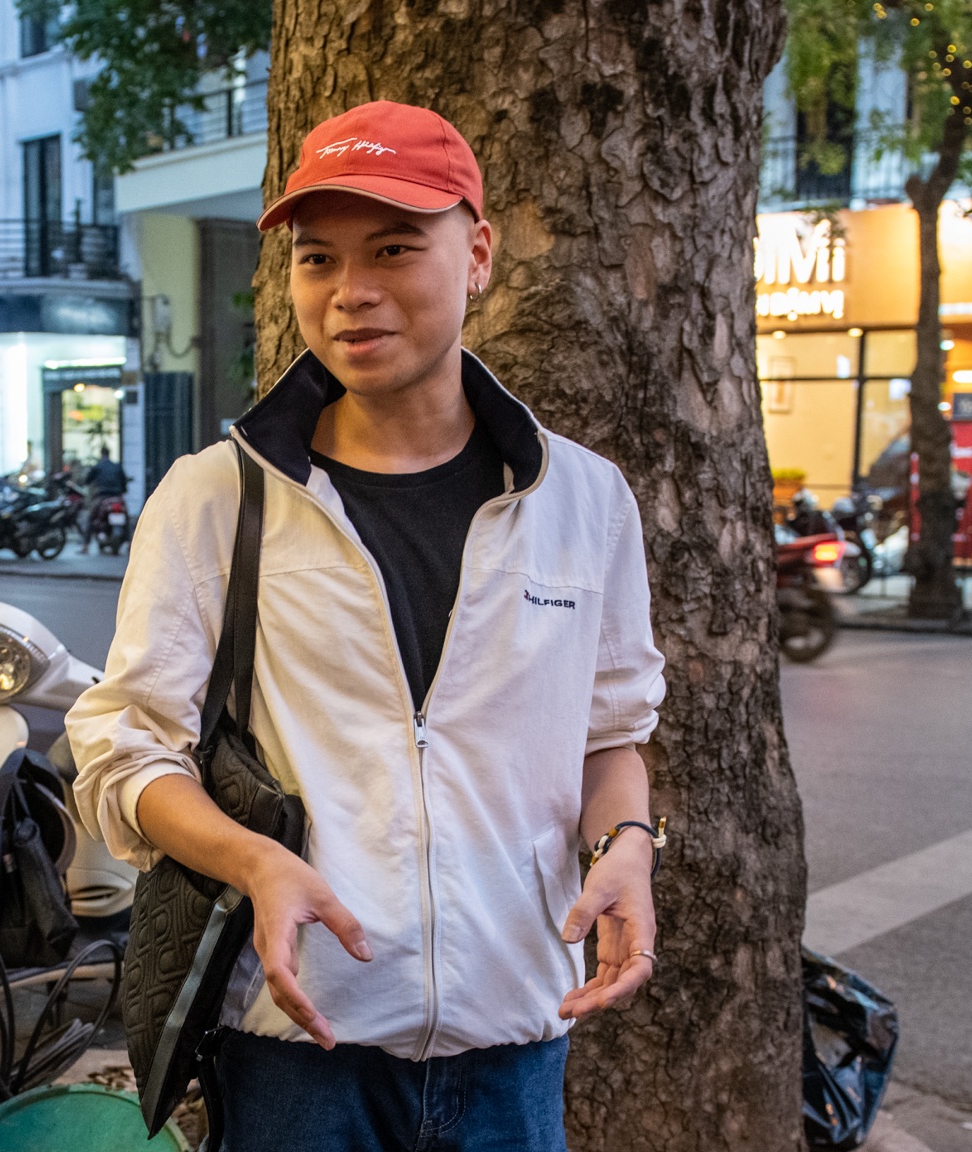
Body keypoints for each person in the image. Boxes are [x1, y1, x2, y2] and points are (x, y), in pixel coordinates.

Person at [67, 101, 668, 1152]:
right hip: (298, 1048)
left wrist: (625, 849)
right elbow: (123, 752)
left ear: (475, 253)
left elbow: (607, 732)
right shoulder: (218, 499)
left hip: (514, 1043)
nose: (350, 291)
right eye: (316, 259)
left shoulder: (583, 498)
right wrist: (252, 862)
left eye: (394, 248)